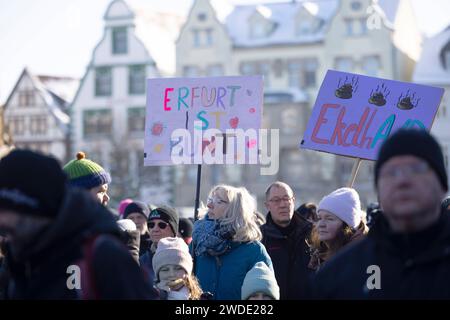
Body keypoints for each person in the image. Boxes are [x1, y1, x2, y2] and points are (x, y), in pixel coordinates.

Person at [313, 129, 450, 299]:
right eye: (391, 172)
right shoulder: (337, 275)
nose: (402, 180)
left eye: (417, 169)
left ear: (442, 184)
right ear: (379, 189)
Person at [0, 149, 155, 299]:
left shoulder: (100, 252)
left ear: (36, 209)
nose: (3, 222)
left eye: (10, 212)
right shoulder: (20, 256)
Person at [191, 184, 273, 300]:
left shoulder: (253, 250)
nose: (209, 205)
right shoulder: (198, 244)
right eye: (210, 200)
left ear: (236, 208)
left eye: (219, 201)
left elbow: (267, 293)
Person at [261, 181, 313, 299]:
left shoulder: (312, 234)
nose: (283, 204)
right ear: (267, 205)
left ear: (293, 201)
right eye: (276, 200)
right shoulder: (260, 238)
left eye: (286, 199)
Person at [307, 188, 368, 271]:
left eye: (329, 219)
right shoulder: (317, 254)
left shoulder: (362, 256)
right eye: (319, 218)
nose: (321, 224)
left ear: (347, 226)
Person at [139, 206, 179, 284]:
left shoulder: (187, 257)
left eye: (162, 225)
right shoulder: (142, 261)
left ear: (173, 230)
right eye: (151, 225)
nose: (155, 229)